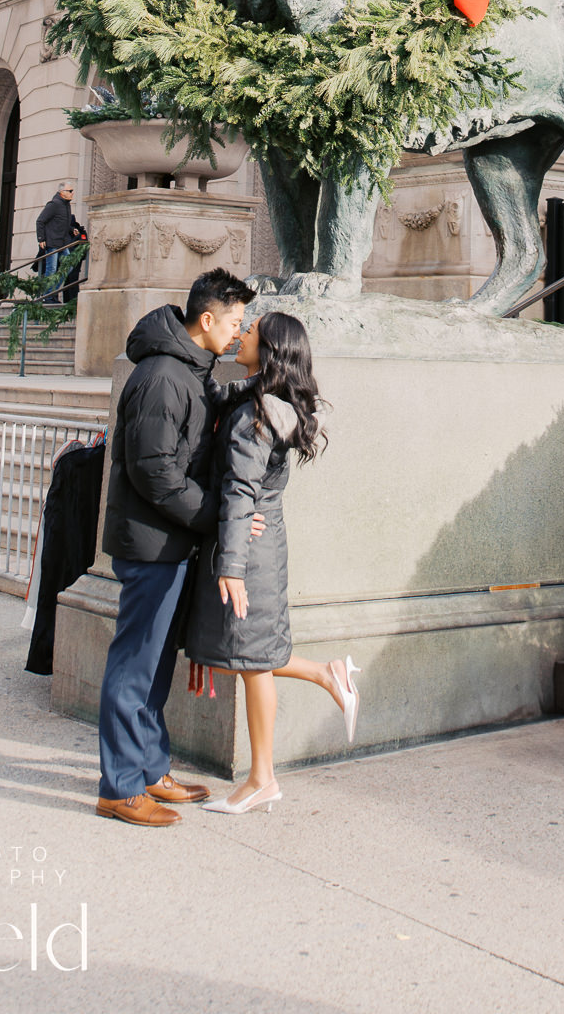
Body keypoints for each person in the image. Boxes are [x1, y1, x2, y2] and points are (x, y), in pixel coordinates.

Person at [95, 267, 261, 829]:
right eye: (235, 323)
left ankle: (148, 768)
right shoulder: (165, 376)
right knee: (135, 664)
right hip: (151, 543)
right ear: (207, 319)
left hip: (170, 540)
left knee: (156, 662)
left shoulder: (192, 369)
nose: (239, 333)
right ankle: (119, 786)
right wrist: (218, 515)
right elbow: (154, 471)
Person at [187, 310, 360, 814]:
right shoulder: (262, 404)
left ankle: (262, 778)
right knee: (254, 652)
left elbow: (241, 490)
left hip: (250, 546)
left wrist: (231, 565)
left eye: (251, 330)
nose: (241, 333)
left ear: (269, 350)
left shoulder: (254, 416)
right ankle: (330, 676)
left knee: (254, 661)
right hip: (261, 538)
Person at [35, 182, 77, 299]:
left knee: (69, 266)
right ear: (62, 193)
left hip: (62, 242)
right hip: (52, 242)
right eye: (70, 191)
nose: (72, 193)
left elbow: (62, 222)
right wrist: (41, 238)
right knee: (51, 269)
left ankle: (52, 292)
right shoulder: (54, 204)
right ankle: (48, 296)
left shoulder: (66, 205)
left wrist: (71, 229)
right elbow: (40, 221)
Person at [62, 219, 88, 306]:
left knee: (72, 281)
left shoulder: (79, 232)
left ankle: (73, 301)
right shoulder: (68, 231)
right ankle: (68, 301)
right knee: (68, 282)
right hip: (68, 259)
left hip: (75, 260)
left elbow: (83, 246)